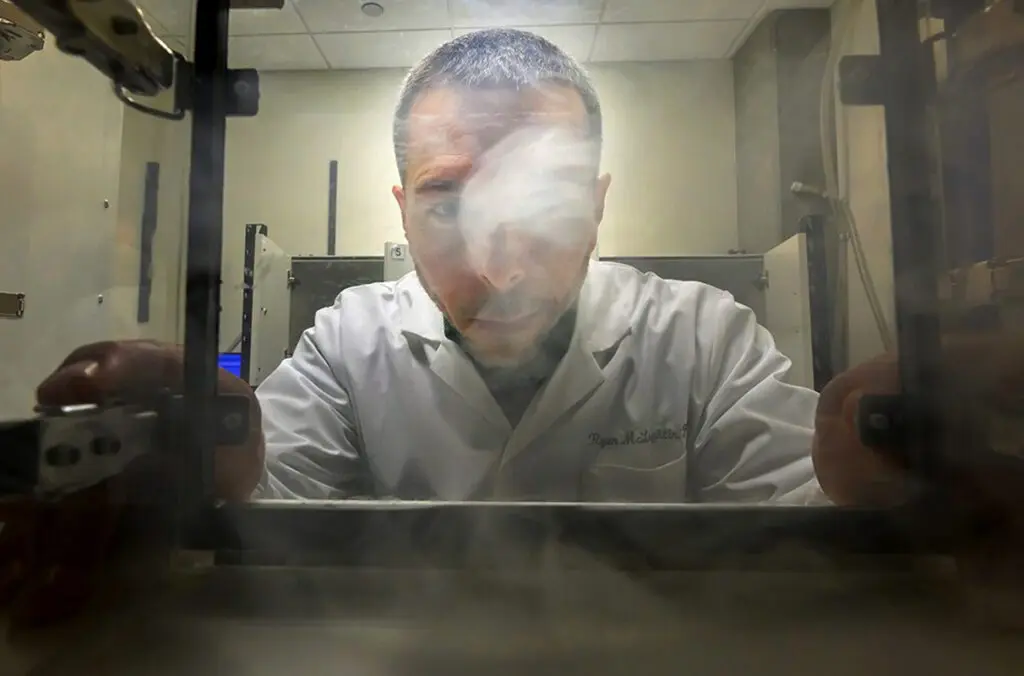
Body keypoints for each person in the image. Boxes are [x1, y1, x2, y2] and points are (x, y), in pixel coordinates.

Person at [3, 28, 1023, 628]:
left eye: (546, 200)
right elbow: (260, 507)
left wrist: (884, 473)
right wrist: (180, 477)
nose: (500, 260)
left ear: (602, 200)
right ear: (399, 207)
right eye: (450, 201)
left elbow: (803, 515)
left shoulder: (703, 335)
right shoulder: (346, 341)